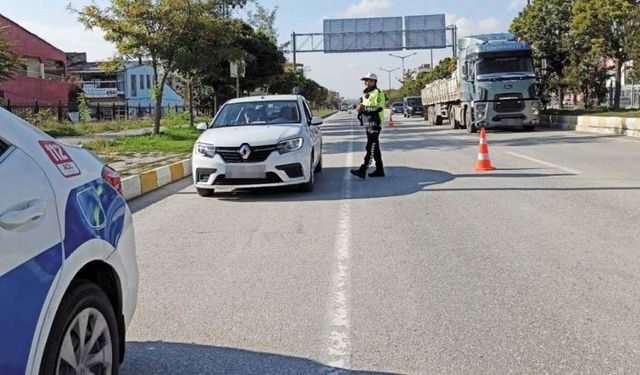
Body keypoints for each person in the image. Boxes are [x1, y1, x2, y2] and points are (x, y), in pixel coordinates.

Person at [351, 72, 386, 179]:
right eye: (365, 80)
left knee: (370, 147)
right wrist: (359, 108)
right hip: (368, 123)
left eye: (369, 80)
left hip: (375, 123)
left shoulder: (378, 93)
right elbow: (364, 106)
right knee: (375, 148)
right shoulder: (367, 94)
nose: (366, 82)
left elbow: (379, 108)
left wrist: (364, 109)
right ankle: (380, 170)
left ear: (374, 81)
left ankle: (363, 170)